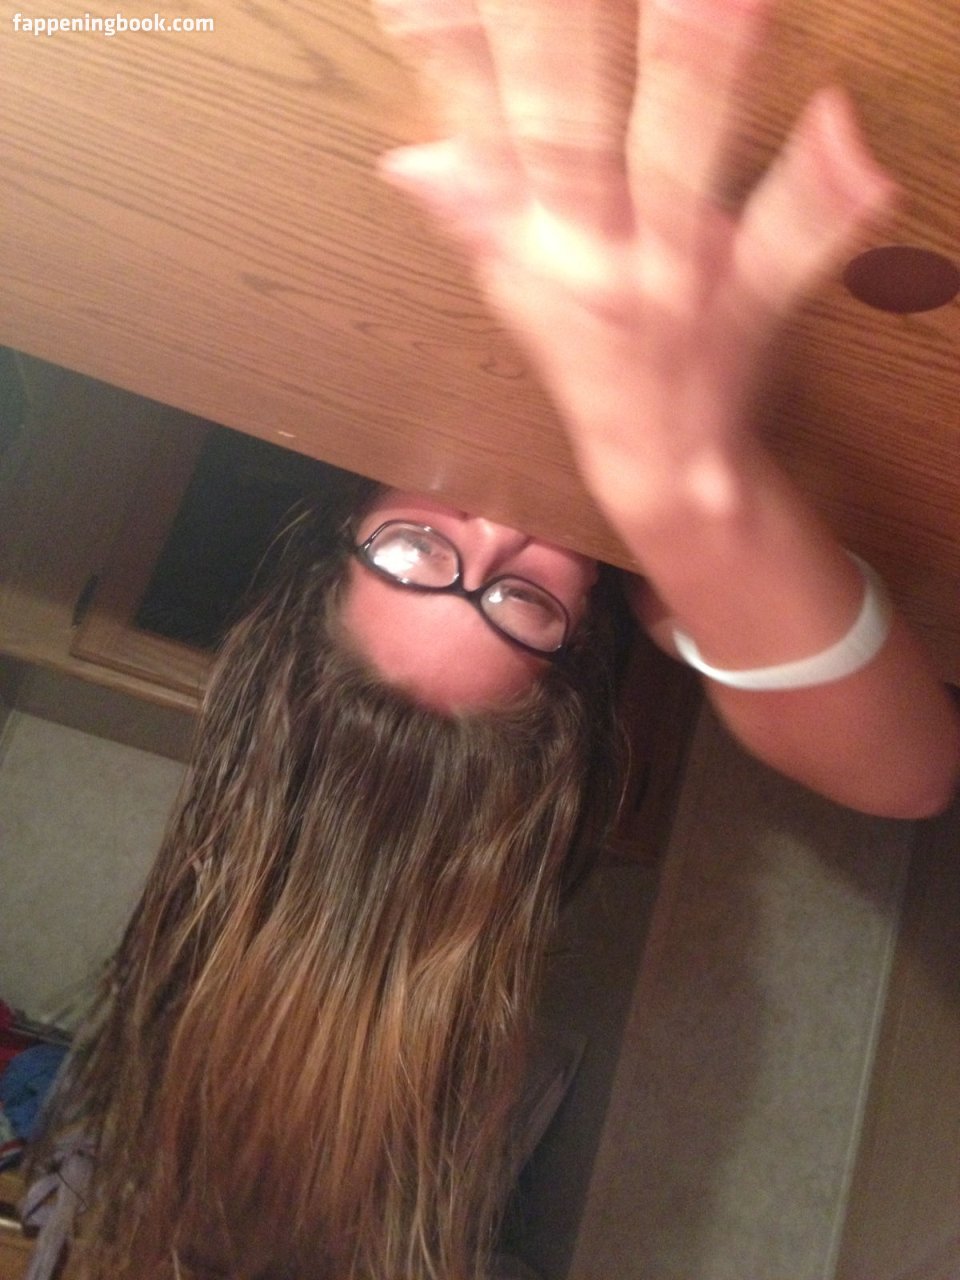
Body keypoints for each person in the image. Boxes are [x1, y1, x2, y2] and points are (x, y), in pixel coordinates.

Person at [32, 1, 960, 1278]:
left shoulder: (294, 364)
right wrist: (691, 489)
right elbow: (907, 770)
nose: (500, 534)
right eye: (525, 604)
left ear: (335, 543)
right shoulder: (643, 586)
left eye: (416, 555)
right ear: (573, 653)